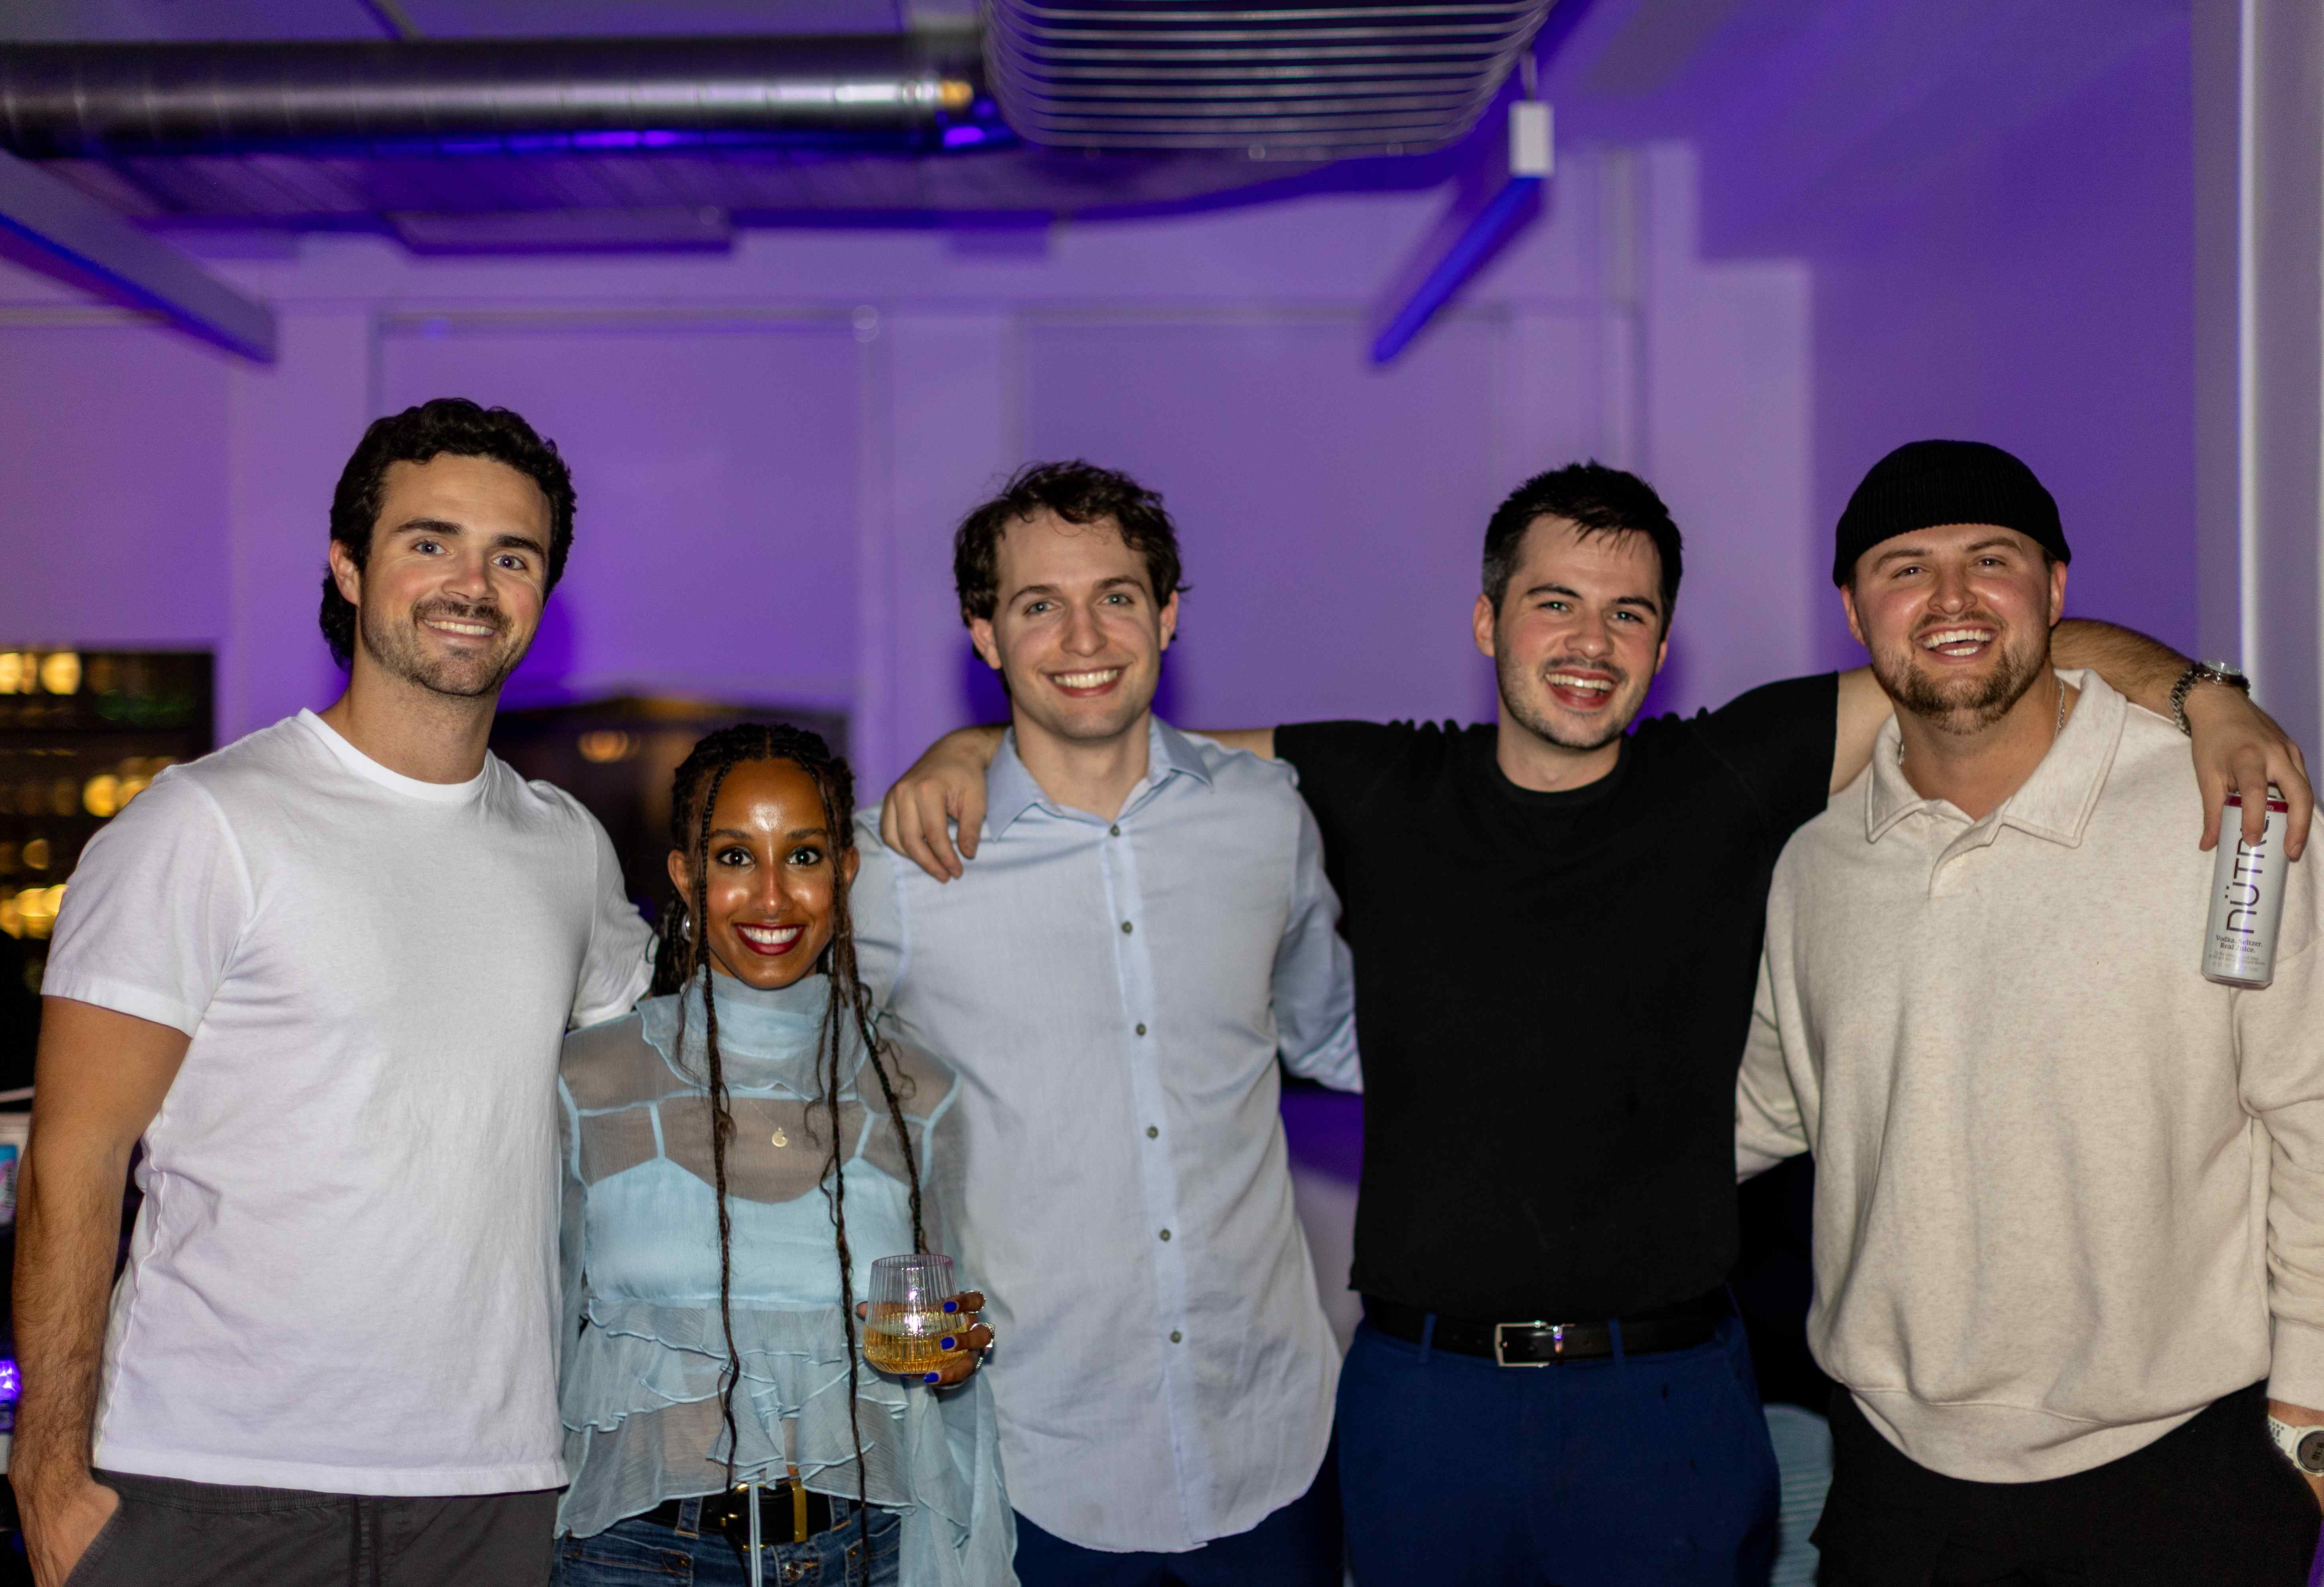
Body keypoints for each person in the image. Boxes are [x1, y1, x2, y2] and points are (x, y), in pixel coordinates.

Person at [878, 459, 2313, 1586]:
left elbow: (1989, 649)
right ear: (1489, 620)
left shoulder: (1737, 774)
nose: (1590, 641)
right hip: (1420, 1400)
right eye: (1554, 602)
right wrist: (971, 746)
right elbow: (1116, 745)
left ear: (1664, 645)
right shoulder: (1372, 789)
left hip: (1669, 1398)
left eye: (1628, 613)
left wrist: (2207, 701)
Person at [10, 399, 654, 1587]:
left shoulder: (567, 848)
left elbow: (668, 1069)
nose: (473, 581)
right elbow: (74, 1157)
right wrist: (49, 1471)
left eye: (513, 556)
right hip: (208, 1480)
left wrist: (973, 759)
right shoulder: (204, 826)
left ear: (541, 595)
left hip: (492, 1487)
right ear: (349, 568)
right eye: (431, 541)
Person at [1735, 440, 2324, 1585]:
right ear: (1854, 612)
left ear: (2055, 592)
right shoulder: (1812, 865)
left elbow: (2313, 1111)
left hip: (2186, 1476)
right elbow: (1765, 1105)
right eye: (1905, 568)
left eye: (1990, 560)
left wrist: (2308, 1414)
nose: (1951, 598)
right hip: (1898, 1485)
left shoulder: (2226, 808)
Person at [847, 461, 1359, 1585]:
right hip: (1039, 1454)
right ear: (984, 634)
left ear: (1168, 614)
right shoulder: (900, 868)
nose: (1084, 633)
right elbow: (790, 1079)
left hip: (1269, 1436)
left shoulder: (1265, 819)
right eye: (1038, 604)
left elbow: (1335, 1038)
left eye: (1118, 596)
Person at [553, 723, 1014, 1587]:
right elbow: (530, 1354)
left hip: (866, 1551)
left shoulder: (922, 1090)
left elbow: (950, 1367)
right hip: (637, 1556)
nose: (772, 896)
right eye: (734, 856)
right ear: (687, 875)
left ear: (844, 872)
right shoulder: (587, 1080)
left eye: (802, 856)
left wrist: (955, 1358)